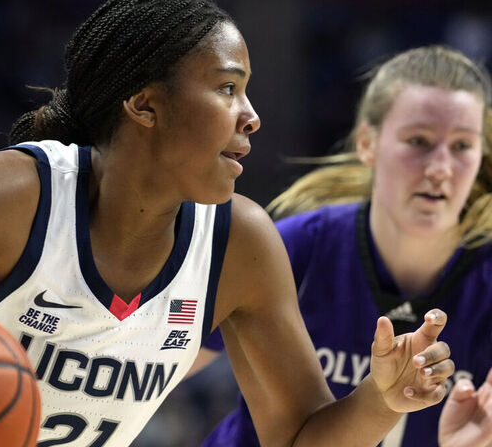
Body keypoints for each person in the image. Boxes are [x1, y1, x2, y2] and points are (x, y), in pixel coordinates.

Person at [0, 0, 454, 447]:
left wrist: (381, 400)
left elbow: (298, 438)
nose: (251, 116)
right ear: (145, 105)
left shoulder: (238, 244)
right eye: (227, 88)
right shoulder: (9, 195)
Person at [201, 45, 492, 447]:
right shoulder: (294, 246)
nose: (440, 168)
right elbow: (154, 363)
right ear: (367, 144)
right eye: (419, 141)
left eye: (462, 146)